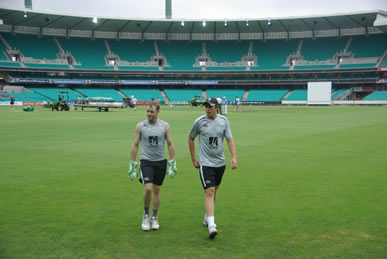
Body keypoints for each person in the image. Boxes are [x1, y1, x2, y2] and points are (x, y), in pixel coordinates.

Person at [188, 97, 237, 239]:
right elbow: (191, 138)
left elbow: (229, 139)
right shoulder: (199, 122)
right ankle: (211, 225)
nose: (207, 108)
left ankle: (207, 217)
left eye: (210, 106)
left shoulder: (224, 121)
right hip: (205, 163)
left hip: (220, 163)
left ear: (217, 107)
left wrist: (233, 157)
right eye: (206, 106)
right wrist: (193, 159)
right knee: (209, 191)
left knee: (214, 191)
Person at [128, 101, 177, 231]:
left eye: (152, 112)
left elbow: (170, 144)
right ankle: (145, 215)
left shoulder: (165, 126)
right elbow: (135, 145)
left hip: (161, 161)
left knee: (157, 190)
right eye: (147, 112)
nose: (149, 114)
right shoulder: (140, 126)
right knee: (148, 188)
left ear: (158, 112)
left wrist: (172, 163)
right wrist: (132, 164)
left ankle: (154, 217)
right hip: (146, 161)